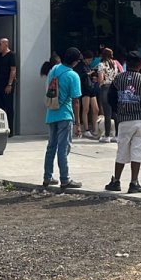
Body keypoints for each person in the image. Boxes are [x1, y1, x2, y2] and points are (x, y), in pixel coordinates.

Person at [105, 52, 141, 194]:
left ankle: (116, 181)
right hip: (140, 119)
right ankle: (134, 182)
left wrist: (117, 111)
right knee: (138, 151)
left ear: (127, 63)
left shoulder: (118, 79)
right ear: (140, 64)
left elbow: (111, 98)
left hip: (124, 120)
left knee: (122, 150)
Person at [42, 47, 83, 189]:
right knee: (63, 147)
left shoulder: (54, 69)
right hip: (65, 114)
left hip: (51, 112)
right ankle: (65, 179)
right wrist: (78, 123)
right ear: (75, 62)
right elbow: (76, 101)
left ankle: (47, 177)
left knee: (51, 146)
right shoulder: (73, 76)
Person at [95, 47, 120, 143]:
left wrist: (99, 83)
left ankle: (107, 135)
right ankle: (117, 135)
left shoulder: (101, 65)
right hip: (114, 88)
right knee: (115, 112)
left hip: (105, 88)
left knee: (107, 113)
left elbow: (101, 79)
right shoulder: (115, 64)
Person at [0, 38, 18, 136]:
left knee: (8, 107)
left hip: (7, 84)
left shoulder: (11, 55)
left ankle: (10, 130)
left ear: (5, 44)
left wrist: (9, 84)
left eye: (0, 44)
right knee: (0, 106)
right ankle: (1, 128)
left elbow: (13, 70)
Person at [75, 51, 98, 139]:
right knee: (86, 109)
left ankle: (95, 128)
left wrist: (92, 76)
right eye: (89, 60)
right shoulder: (80, 66)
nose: (90, 61)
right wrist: (87, 74)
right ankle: (86, 129)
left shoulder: (88, 66)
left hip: (91, 87)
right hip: (84, 88)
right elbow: (79, 76)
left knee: (96, 109)